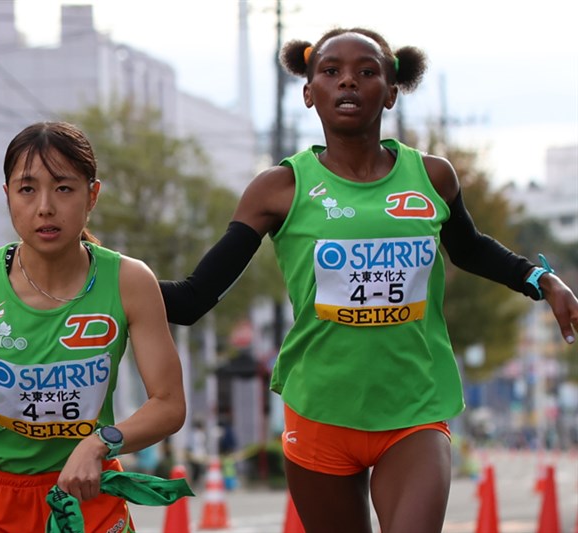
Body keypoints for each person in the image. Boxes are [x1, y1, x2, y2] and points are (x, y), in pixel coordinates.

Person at [159, 27, 578, 533]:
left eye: (366, 71)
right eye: (331, 72)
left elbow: (470, 250)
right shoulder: (280, 188)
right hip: (320, 411)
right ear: (310, 93)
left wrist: (542, 280)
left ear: (392, 91)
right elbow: (193, 298)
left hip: (413, 409)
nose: (348, 83)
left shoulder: (432, 177)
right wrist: (105, 279)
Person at [0, 121, 187, 532]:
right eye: (27, 189)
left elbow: (168, 403)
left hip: (85, 490)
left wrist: (99, 444)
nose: (45, 206)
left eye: (63, 188)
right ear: (8, 196)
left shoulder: (130, 282)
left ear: (92, 195)